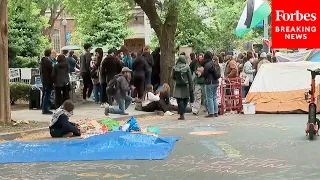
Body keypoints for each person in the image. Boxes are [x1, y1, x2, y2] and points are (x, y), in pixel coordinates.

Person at [172, 55, 194, 120]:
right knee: (186, 99)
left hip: (178, 86)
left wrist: (177, 79)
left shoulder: (174, 67)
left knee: (179, 100)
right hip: (186, 85)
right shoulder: (187, 67)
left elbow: (172, 76)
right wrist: (191, 87)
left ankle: (181, 114)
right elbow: (190, 78)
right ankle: (182, 113)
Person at [203, 51, 219, 118]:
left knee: (209, 97)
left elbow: (205, 75)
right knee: (214, 97)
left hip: (210, 82)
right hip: (216, 82)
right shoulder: (215, 63)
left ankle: (211, 113)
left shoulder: (207, 65)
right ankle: (216, 112)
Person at [40, 49, 54, 114]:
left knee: (45, 94)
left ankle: (44, 107)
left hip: (44, 80)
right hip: (48, 80)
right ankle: (45, 109)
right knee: (47, 94)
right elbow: (51, 71)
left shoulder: (43, 61)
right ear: (49, 53)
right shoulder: (48, 61)